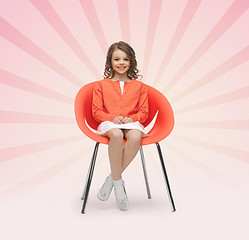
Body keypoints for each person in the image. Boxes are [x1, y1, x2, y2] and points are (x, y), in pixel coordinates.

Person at [92, 41, 148, 211]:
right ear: (110, 61)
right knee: (116, 135)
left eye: (125, 59)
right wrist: (112, 118)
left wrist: (132, 118)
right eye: (117, 59)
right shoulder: (101, 85)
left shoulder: (140, 87)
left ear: (131, 62)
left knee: (136, 136)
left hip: (131, 123)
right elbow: (96, 111)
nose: (121, 63)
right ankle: (119, 186)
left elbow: (144, 112)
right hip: (109, 123)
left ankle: (112, 179)